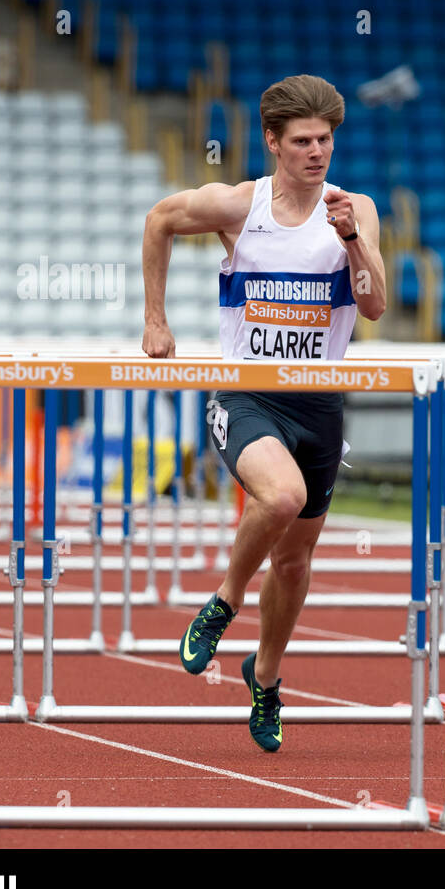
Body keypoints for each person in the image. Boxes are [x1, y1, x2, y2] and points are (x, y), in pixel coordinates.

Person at [141, 74, 387, 751]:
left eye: (326, 140)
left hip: (319, 405)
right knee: (281, 499)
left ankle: (266, 678)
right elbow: (159, 219)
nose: (317, 153)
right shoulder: (237, 205)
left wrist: (353, 242)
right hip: (246, 394)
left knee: (295, 565)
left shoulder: (353, 208)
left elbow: (373, 305)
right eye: (303, 141)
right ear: (274, 143)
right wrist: (155, 321)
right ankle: (223, 600)